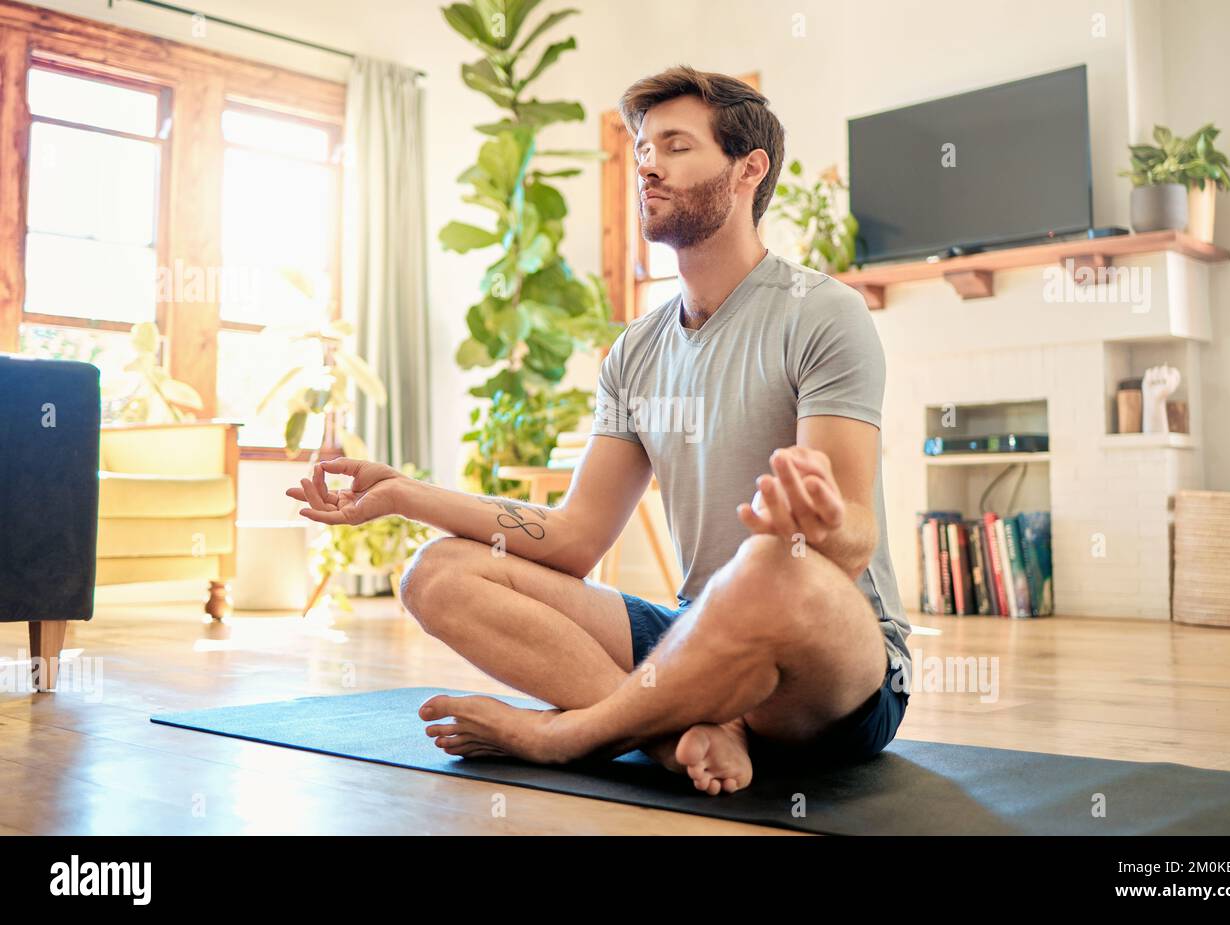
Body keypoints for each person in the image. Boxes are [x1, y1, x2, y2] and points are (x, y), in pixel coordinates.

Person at [288, 66, 911, 796]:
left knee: (773, 566)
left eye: (676, 146)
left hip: (833, 661)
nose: (647, 164)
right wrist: (404, 494)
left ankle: (562, 735)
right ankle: (677, 738)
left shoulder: (821, 311)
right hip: (695, 633)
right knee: (437, 572)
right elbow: (576, 536)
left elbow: (853, 534)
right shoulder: (635, 351)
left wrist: (817, 528)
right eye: (643, 148)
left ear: (749, 170)